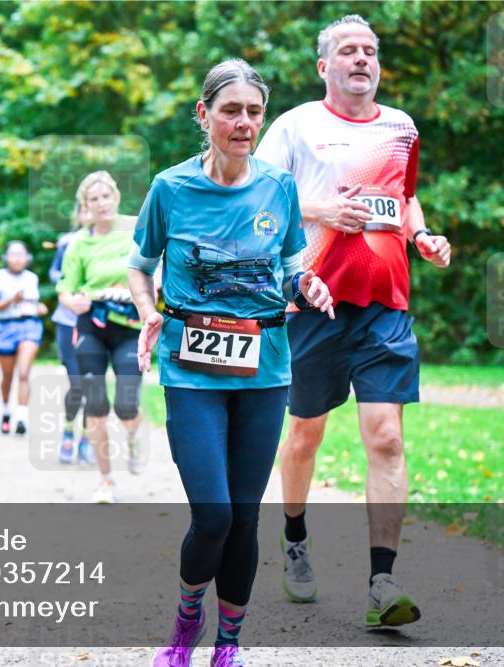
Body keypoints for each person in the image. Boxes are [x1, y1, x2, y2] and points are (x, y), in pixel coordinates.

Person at [128, 59, 334, 667]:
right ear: (204, 115)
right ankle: (188, 615)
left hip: (265, 370)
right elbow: (140, 264)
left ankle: (229, 644)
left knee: (244, 519)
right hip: (192, 371)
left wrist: (310, 287)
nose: (243, 123)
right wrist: (148, 311)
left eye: (252, 112)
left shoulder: (279, 186)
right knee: (213, 514)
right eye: (230, 111)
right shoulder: (170, 188)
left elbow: (294, 268)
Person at [254, 14, 451, 627]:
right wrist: (320, 208)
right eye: (347, 50)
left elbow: (406, 194)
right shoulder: (295, 125)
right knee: (305, 435)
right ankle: (293, 535)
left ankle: (381, 583)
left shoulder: (401, 127)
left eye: (369, 50)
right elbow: (255, 194)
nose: (361, 59)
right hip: (313, 302)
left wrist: (421, 233)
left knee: (387, 437)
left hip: (385, 304)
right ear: (324, 67)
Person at [56, 171, 146, 504]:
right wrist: (71, 300)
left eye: (105, 196)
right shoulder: (79, 242)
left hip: (130, 327)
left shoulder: (137, 227)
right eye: (93, 199)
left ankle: (134, 434)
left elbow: (160, 262)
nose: (101, 203)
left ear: (116, 197)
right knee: (95, 405)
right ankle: (106, 480)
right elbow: (65, 287)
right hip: (92, 325)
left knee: (125, 405)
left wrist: (154, 287)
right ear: (86, 206)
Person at [0, 240, 48, 436]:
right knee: (7, 377)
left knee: (24, 372)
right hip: (5, 327)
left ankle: (21, 417)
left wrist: (39, 308)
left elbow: (34, 303)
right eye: (13, 254)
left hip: (29, 326)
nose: (17, 258)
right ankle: (6, 412)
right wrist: (12, 300)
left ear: (27, 257)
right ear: (5, 257)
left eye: (21, 254)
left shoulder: (32, 278)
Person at [48, 227, 93, 464]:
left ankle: (86, 437)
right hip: (67, 321)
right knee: (77, 383)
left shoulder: (109, 243)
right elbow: (53, 272)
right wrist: (71, 280)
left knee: (91, 384)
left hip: (96, 323)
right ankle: (67, 431)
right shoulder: (68, 240)